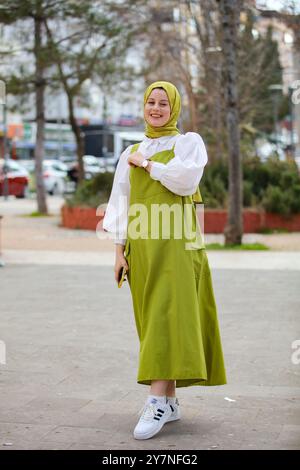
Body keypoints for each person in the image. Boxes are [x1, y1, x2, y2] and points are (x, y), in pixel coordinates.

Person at [102, 80, 227, 440]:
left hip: (178, 247)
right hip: (142, 249)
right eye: (150, 102)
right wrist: (118, 252)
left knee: (166, 318)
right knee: (152, 320)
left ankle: (155, 399)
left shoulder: (188, 143)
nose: (156, 108)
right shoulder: (130, 150)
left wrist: (149, 165)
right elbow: (119, 204)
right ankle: (169, 402)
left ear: (174, 108)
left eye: (163, 103)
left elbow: (185, 181)